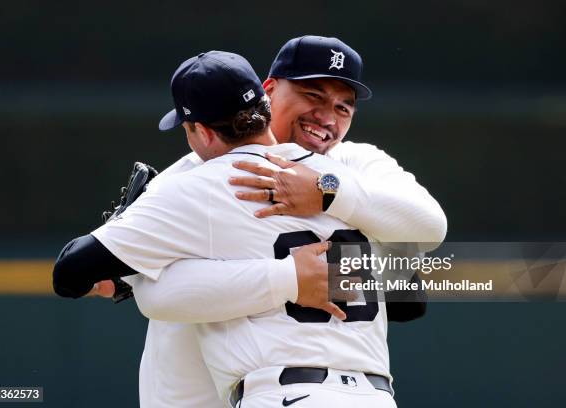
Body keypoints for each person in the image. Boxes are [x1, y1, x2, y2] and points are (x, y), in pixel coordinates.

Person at [54, 36, 446, 408]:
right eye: (312, 95)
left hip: (277, 393)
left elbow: (407, 296)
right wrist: (296, 274)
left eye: (344, 106)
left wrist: (327, 195)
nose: (327, 116)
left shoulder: (350, 166)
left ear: (201, 131)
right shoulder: (194, 177)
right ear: (268, 91)